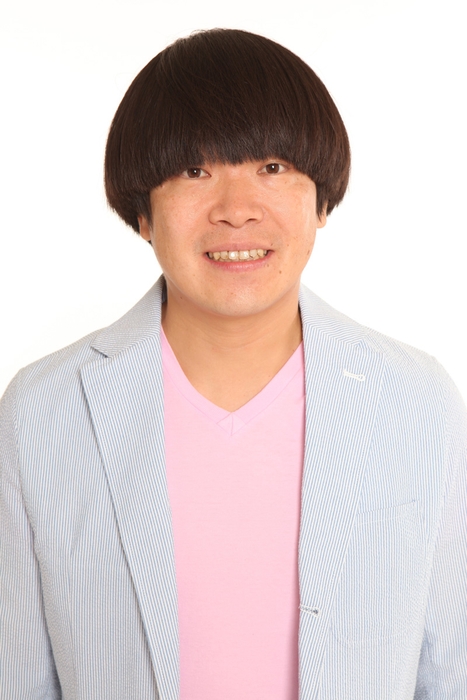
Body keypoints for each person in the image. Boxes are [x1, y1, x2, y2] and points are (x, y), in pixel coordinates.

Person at [1, 28, 466, 700]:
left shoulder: (415, 399)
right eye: (195, 172)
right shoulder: (44, 410)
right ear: (142, 213)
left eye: (271, 167)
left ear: (321, 200)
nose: (236, 211)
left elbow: (450, 673)